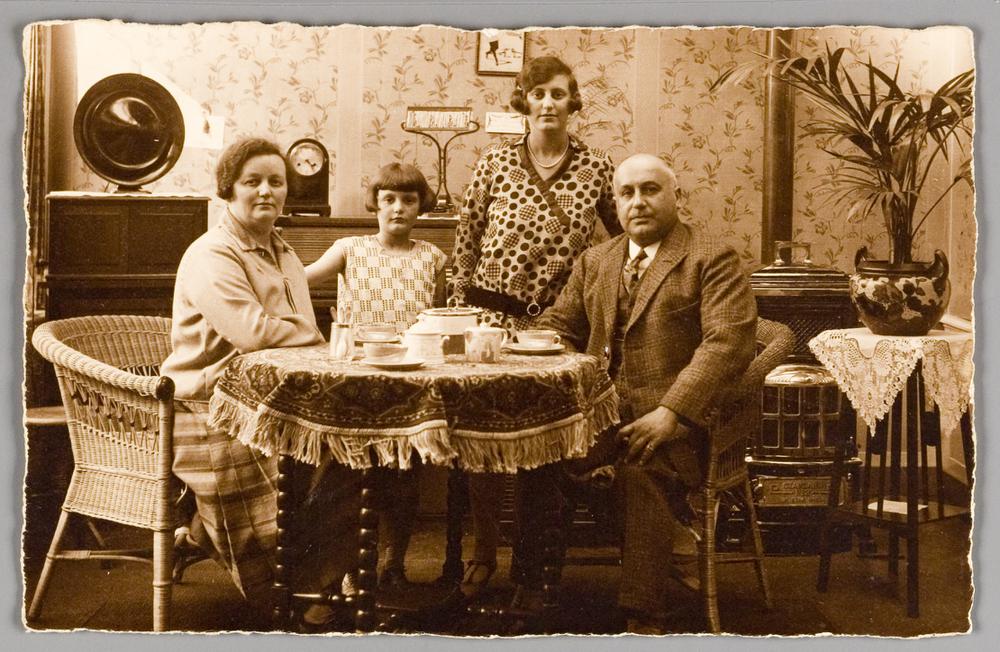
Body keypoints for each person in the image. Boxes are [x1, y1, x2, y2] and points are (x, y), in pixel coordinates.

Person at [536, 153, 758, 633]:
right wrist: (550, 353)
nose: (637, 202)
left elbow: (726, 344)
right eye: (627, 193)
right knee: (535, 453)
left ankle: (644, 618)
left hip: (685, 426)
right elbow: (559, 325)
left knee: (641, 467)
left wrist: (672, 412)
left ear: (677, 197)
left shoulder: (711, 257)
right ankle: (533, 593)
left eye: (650, 190)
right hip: (603, 417)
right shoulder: (597, 260)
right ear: (615, 203)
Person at [161, 137, 359, 629]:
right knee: (300, 484)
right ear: (229, 189)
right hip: (210, 406)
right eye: (253, 181)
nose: (267, 191)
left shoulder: (283, 251)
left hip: (273, 399)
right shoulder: (212, 254)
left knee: (361, 449)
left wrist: (304, 334)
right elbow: (253, 333)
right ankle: (295, 593)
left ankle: (307, 574)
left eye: (277, 181)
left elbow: (286, 334)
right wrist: (311, 332)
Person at [448, 55, 622, 602]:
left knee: (541, 447)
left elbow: (621, 240)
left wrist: (606, 298)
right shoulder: (495, 163)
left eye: (559, 94)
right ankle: (483, 550)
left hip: (556, 330)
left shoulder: (597, 166)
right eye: (538, 93)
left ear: (574, 103)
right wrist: (460, 315)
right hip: (489, 322)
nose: (548, 103)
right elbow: (466, 243)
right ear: (523, 101)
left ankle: (531, 565)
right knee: (480, 443)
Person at [306, 163, 446, 588]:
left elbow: (439, 320)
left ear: (421, 206)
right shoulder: (349, 249)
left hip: (411, 384)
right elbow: (298, 280)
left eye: (408, 200)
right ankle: (349, 570)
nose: (398, 208)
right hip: (357, 383)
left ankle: (393, 564)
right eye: (389, 199)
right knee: (353, 477)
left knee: (405, 477)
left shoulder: (433, 257)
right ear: (376, 205)